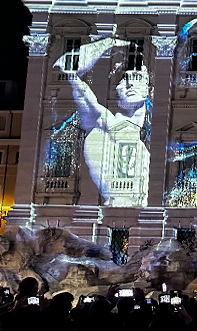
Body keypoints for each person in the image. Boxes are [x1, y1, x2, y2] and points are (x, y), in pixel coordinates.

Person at [55, 37, 151, 207]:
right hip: (119, 194)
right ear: (116, 91)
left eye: (137, 77)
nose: (129, 85)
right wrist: (106, 43)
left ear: (149, 87)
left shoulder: (149, 117)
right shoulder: (106, 119)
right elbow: (79, 85)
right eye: (125, 80)